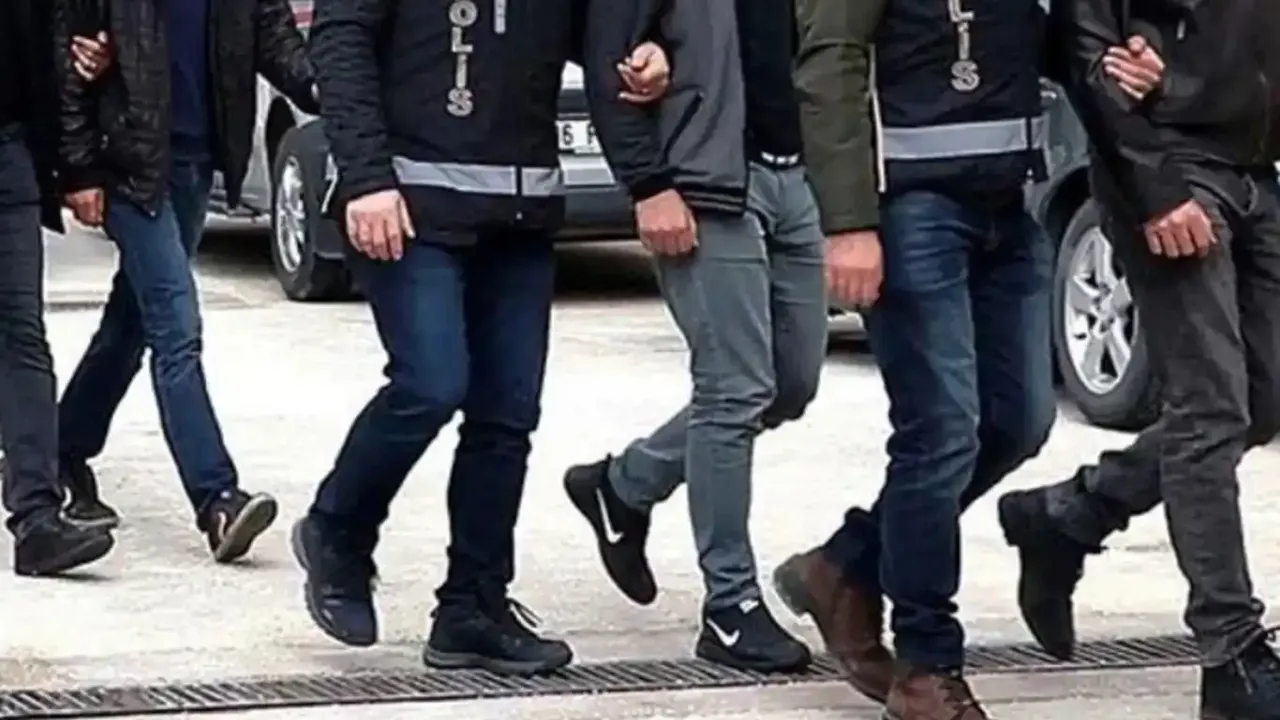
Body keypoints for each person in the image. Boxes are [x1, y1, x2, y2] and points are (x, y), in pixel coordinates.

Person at [767, 2, 1166, 717]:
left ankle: (845, 563)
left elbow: (1039, 36)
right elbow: (829, 63)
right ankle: (926, 666)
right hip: (911, 208)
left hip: (1005, 206)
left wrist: (1121, 59)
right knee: (941, 433)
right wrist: (849, 223)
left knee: (1017, 422)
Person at [293, 0, 670, 676]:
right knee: (431, 383)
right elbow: (340, 41)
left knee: (506, 417)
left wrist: (649, 53)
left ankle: (472, 607)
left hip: (520, 211)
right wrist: (366, 177)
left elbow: (601, 29)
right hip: (409, 202)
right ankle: (338, 530)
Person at [997, 2, 1280, 717]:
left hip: (1257, 168)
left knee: (1265, 399)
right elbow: (1084, 44)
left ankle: (1072, 513)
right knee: (1209, 408)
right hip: (1174, 167)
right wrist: (1154, 187)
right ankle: (1231, 653)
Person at [563, 0, 826, 674]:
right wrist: (648, 184)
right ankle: (729, 606)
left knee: (790, 383)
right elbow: (607, 51)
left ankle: (624, 485)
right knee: (733, 390)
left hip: (797, 178)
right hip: (707, 180)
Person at [53, 0, 318, 562]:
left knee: (131, 324)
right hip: (127, 163)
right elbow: (68, 51)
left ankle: (60, 448)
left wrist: (332, 91)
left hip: (196, 162)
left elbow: (275, 38)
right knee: (176, 326)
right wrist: (77, 167)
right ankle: (217, 499)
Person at [0, 0, 112, 576]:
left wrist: (74, 164)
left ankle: (37, 518)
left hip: (9, 151)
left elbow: (55, 36)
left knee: (21, 336)